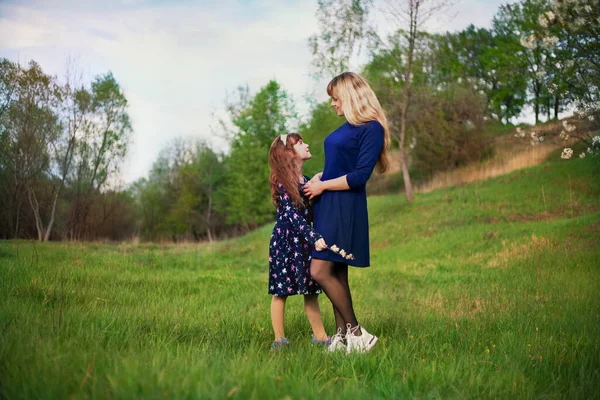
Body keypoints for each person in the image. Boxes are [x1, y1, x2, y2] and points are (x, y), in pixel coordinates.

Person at [303, 72, 390, 353]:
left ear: (349, 96)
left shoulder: (371, 128)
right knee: (336, 272)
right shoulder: (346, 128)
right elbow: (341, 166)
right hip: (328, 202)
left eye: (334, 97)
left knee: (319, 270)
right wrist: (320, 177)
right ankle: (342, 338)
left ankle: (358, 333)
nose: (332, 104)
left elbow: (359, 176)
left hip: (344, 206)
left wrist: (323, 185)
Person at [268, 132, 331, 350]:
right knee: (281, 292)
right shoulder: (282, 181)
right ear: (289, 153)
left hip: (303, 242)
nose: (306, 145)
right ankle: (279, 340)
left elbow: (309, 214)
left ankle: (321, 337)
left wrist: (318, 183)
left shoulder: (304, 181)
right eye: (300, 143)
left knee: (311, 291)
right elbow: (292, 217)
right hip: (285, 243)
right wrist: (314, 237)